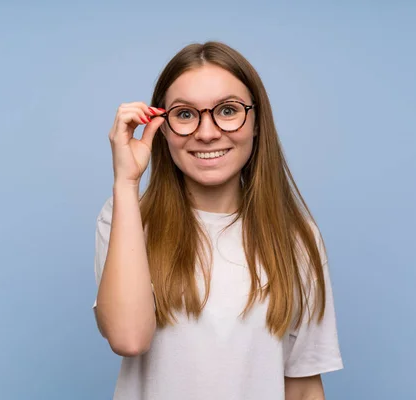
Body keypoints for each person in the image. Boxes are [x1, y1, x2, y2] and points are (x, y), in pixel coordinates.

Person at [92, 41, 343, 400]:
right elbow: (128, 337)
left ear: (256, 123)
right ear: (161, 127)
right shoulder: (126, 217)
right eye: (185, 114)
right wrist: (126, 182)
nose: (207, 133)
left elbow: (302, 386)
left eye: (227, 110)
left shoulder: (298, 238)